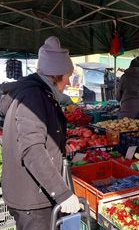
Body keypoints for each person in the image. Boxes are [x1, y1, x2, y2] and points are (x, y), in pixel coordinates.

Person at [0, 36, 80, 230]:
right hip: (31, 199)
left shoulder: (39, 93)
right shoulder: (34, 97)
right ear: (56, 74)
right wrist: (62, 193)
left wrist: (58, 147)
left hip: (31, 191)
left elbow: (40, 137)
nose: (69, 82)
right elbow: (32, 150)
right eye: (68, 75)